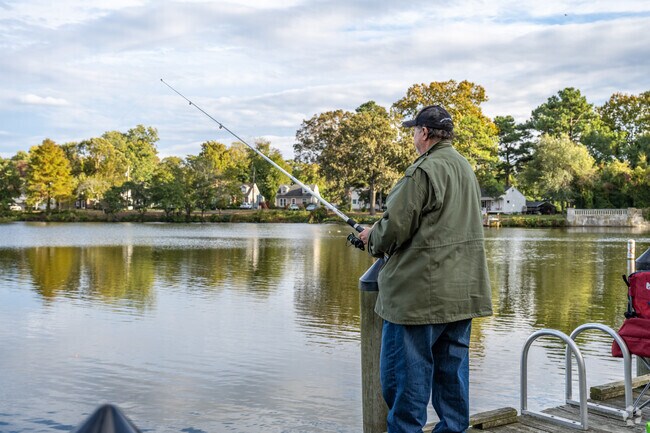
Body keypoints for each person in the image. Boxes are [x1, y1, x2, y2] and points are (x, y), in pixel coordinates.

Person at [358, 105, 492, 433]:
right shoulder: (464, 168)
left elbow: (392, 230)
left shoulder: (422, 171)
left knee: (405, 384)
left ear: (425, 133)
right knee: (452, 382)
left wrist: (369, 237)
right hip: (462, 295)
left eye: (414, 131)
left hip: (419, 300)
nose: (413, 137)